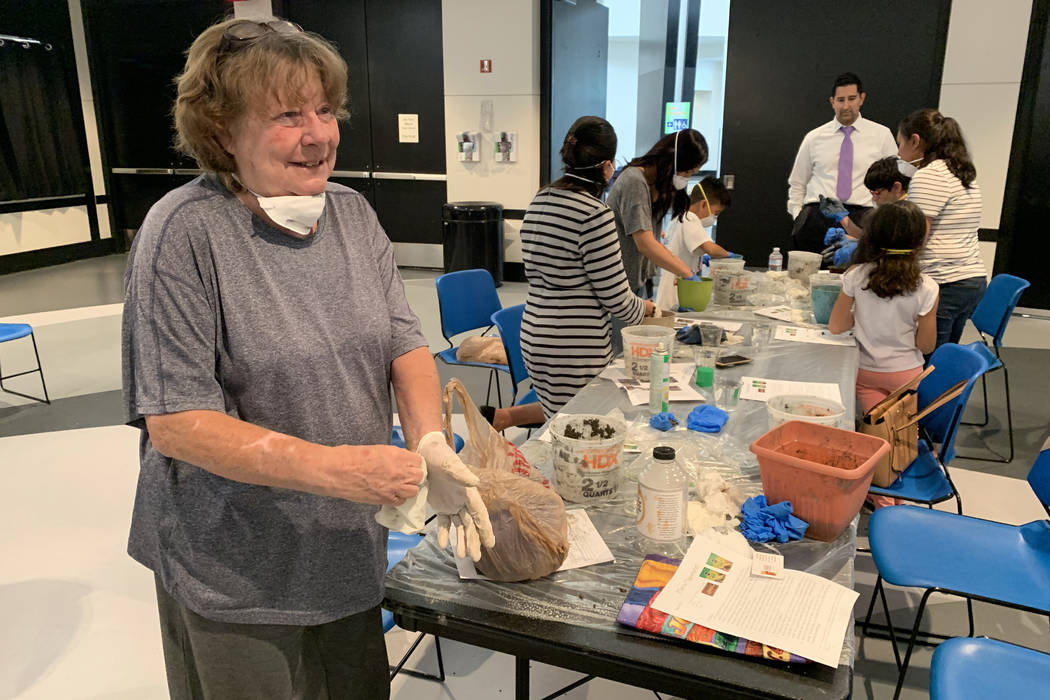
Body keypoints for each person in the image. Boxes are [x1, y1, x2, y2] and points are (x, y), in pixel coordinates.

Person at [121, 18, 493, 699]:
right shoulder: (183, 235)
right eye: (288, 115)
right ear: (221, 128)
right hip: (235, 569)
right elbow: (177, 422)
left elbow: (402, 341)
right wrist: (336, 469)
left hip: (347, 547)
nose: (319, 134)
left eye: (325, 110)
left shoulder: (351, 214)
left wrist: (430, 440)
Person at [520, 116, 657, 418]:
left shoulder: (541, 199)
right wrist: (646, 309)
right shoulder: (595, 214)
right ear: (607, 167)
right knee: (578, 431)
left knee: (558, 423)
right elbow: (616, 299)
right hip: (574, 346)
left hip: (534, 334)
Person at [827, 200, 938, 413]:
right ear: (919, 239)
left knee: (876, 430)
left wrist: (861, 316)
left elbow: (836, 327)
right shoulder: (928, 287)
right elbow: (926, 346)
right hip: (905, 374)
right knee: (898, 437)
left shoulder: (855, 275)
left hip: (865, 371)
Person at [896, 108, 985, 348]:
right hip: (969, 279)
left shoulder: (930, 175)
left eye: (900, 144)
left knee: (927, 361)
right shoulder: (961, 172)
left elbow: (917, 236)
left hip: (945, 282)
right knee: (944, 359)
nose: (898, 153)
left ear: (915, 141)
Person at [787, 72, 898, 254]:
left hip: (862, 214)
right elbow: (797, 182)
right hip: (817, 215)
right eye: (840, 100)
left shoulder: (881, 135)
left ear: (861, 99)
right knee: (806, 277)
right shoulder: (814, 137)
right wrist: (798, 215)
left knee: (858, 276)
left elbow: (893, 180)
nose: (846, 106)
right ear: (832, 102)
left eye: (852, 99)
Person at [606, 128, 709, 296]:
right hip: (618, 287)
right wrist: (686, 272)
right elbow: (645, 243)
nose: (687, 178)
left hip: (636, 282)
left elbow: (652, 240)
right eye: (687, 172)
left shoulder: (654, 186)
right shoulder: (634, 181)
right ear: (671, 162)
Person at [654, 177, 733, 311]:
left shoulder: (678, 218)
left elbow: (686, 249)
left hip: (670, 294)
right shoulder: (690, 218)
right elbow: (710, 248)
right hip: (677, 296)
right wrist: (729, 256)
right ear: (703, 204)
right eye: (716, 213)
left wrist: (701, 258)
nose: (714, 218)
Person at [821, 156, 912, 268]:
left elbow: (891, 251)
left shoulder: (907, 213)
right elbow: (874, 239)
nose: (874, 198)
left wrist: (858, 248)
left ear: (896, 187)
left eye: (877, 193)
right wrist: (843, 220)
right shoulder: (892, 208)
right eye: (871, 193)